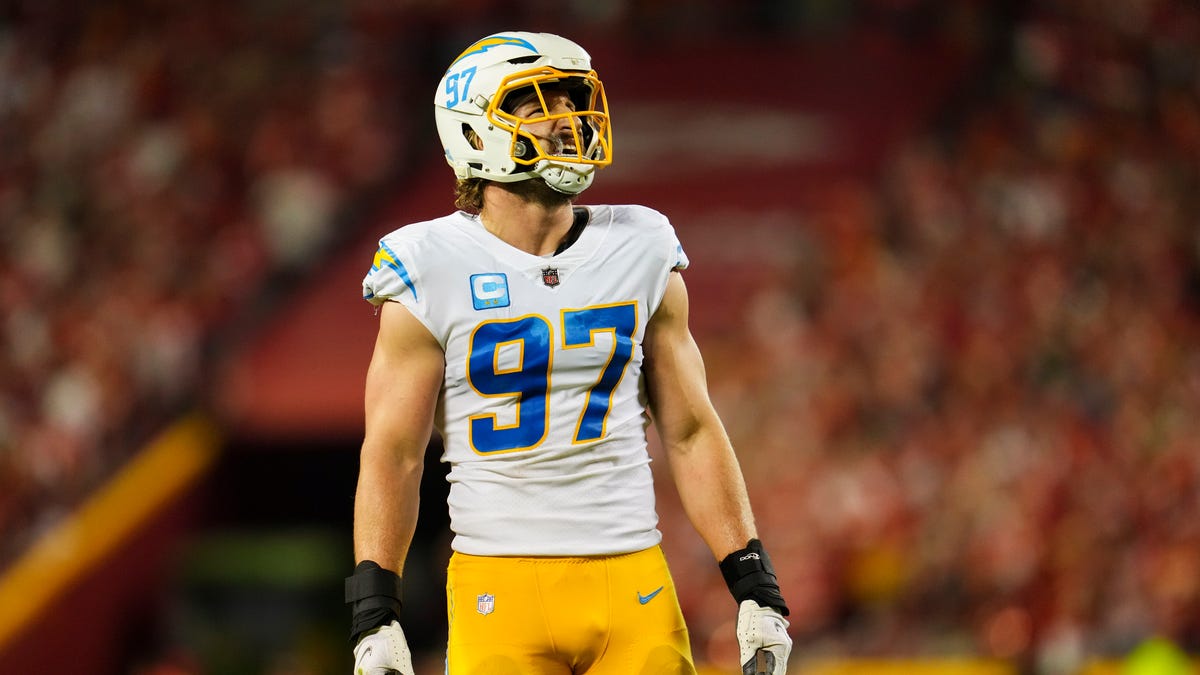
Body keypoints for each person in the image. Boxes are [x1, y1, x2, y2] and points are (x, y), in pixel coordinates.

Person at [345, 31, 792, 675]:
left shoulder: (640, 243)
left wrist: (754, 585)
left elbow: (691, 430)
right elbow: (394, 452)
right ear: (472, 133)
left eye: (570, 98)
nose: (565, 120)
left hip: (633, 579)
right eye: (534, 104)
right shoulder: (427, 262)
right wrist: (374, 610)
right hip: (497, 587)